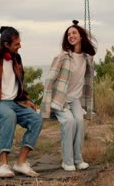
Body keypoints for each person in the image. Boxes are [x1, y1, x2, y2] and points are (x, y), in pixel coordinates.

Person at [0, 26, 43, 178]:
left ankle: (20, 162)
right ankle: (3, 165)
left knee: (36, 119)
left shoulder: (17, 58)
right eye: (17, 44)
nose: (20, 46)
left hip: (16, 102)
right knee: (9, 116)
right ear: (6, 44)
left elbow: (20, 82)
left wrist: (26, 99)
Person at [40, 20, 96, 171]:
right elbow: (50, 79)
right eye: (68, 34)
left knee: (79, 122)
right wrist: (47, 104)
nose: (71, 36)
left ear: (81, 36)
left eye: (74, 33)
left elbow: (88, 80)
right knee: (69, 122)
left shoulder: (87, 58)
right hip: (60, 100)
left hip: (75, 99)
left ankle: (78, 159)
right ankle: (68, 161)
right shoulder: (63, 57)